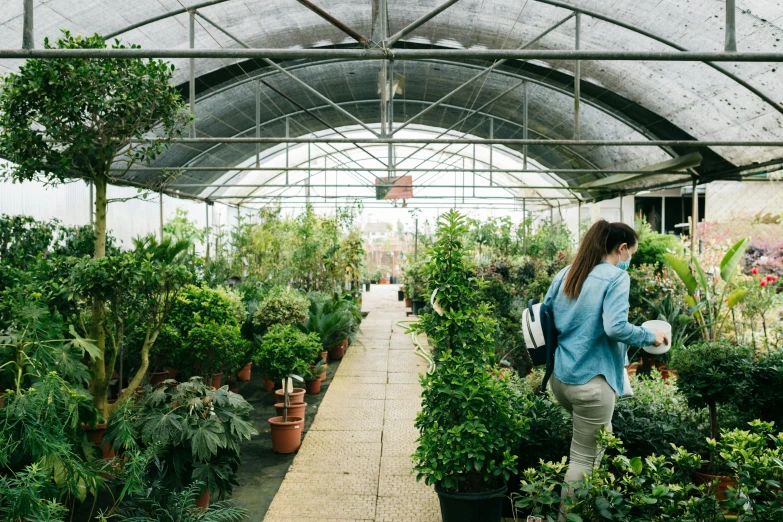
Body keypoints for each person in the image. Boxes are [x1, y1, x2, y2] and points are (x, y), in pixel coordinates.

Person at [542, 220, 667, 520]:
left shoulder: (567, 273)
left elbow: (546, 312)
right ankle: (569, 517)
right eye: (630, 254)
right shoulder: (614, 278)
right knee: (583, 462)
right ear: (621, 248)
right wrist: (651, 336)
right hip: (592, 383)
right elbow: (615, 327)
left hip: (562, 379)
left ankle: (590, 508)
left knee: (596, 443)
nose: (629, 261)